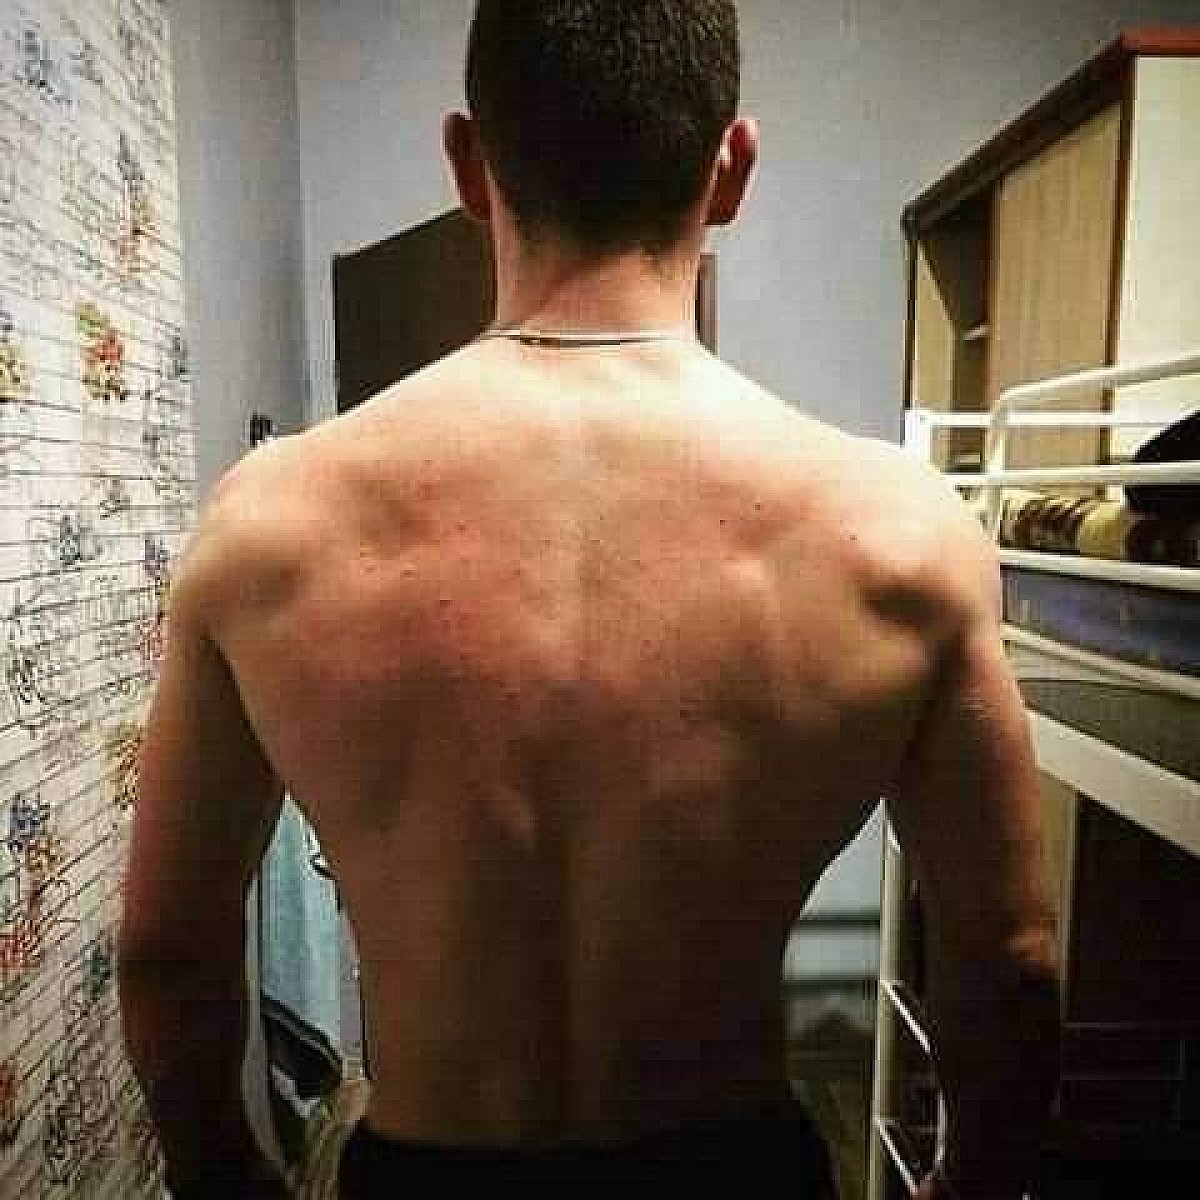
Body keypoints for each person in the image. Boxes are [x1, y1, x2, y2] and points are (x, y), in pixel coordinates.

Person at [118, 1, 1060, 1196]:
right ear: (731, 169)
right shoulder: (903, 536)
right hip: (733, 1171)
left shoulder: (267, 527)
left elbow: (168, 953)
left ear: (469, 165)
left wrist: (223, 1178)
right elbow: (1009, 960)